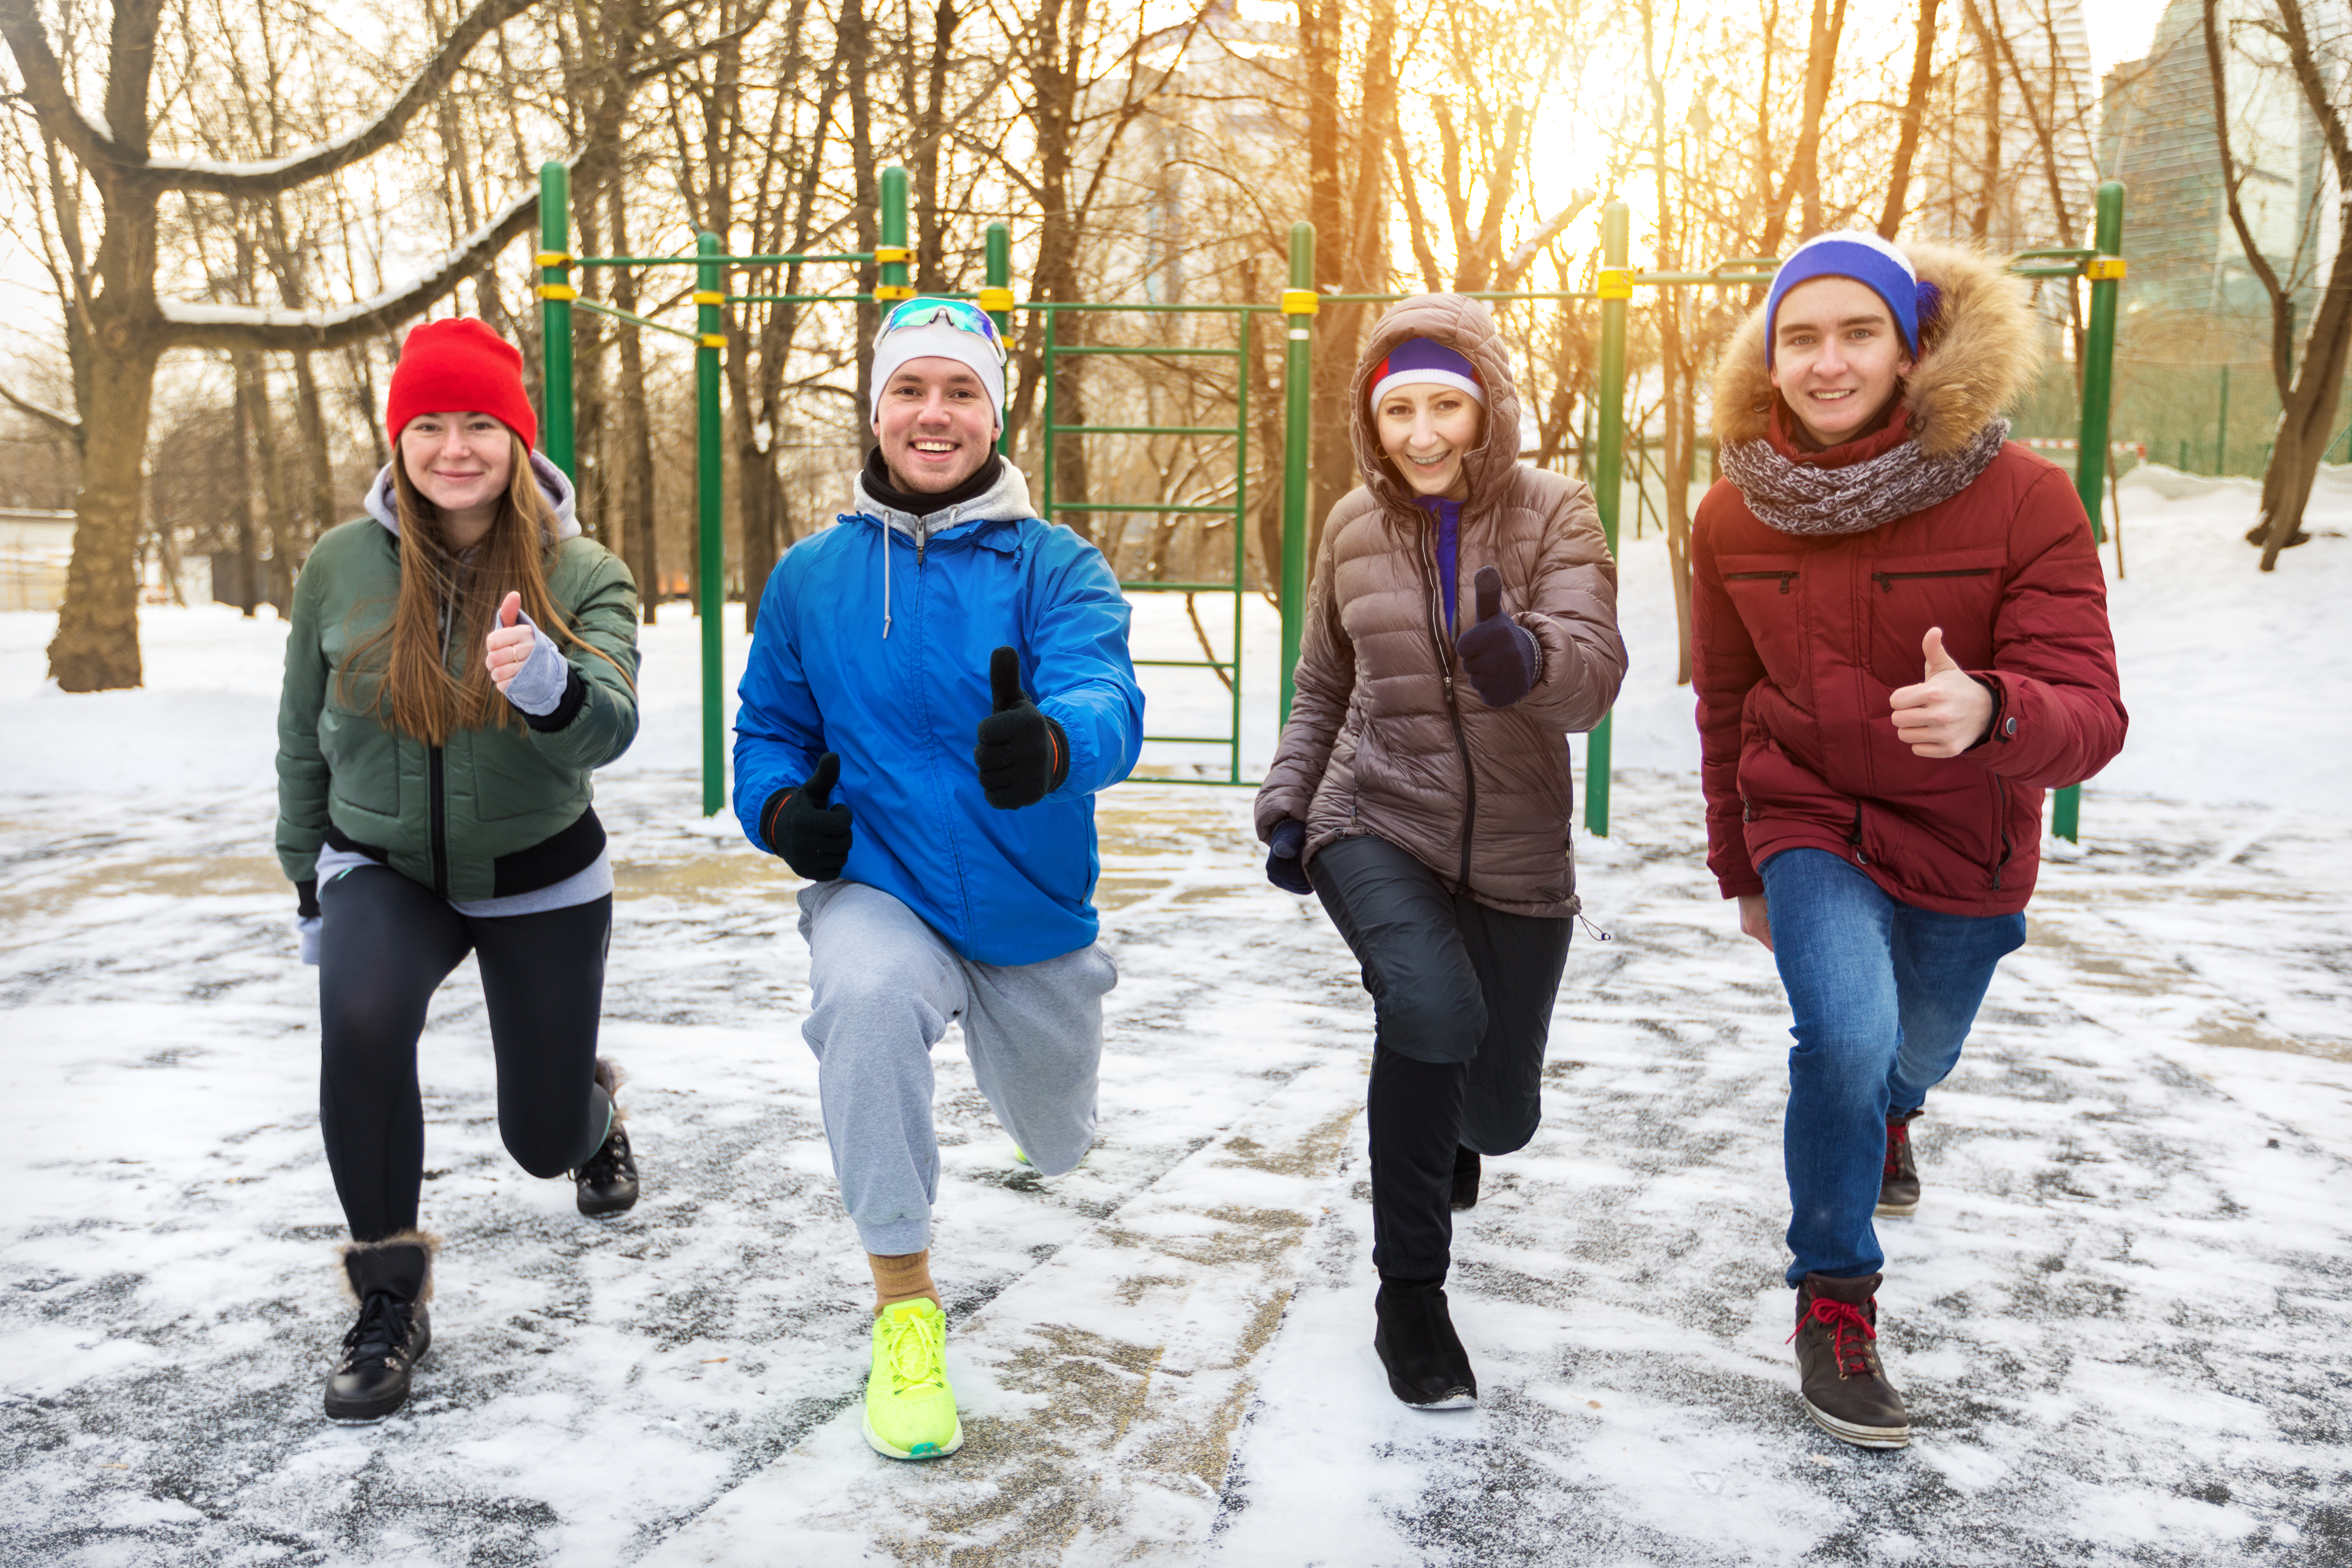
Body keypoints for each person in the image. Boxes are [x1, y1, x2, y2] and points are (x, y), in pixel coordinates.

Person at [1693, 233, 2127, 1449]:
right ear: (1767, 356)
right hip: (1807, 812)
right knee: (1838, 1032)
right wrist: (1740, 861)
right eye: (1798, 337)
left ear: (1908, 345)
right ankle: (1834, 1298)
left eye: (1855, 333)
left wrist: (1993, 708)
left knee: (1908, 1049)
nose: (1825, 362)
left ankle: (1893, 1109)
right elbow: (1724, 703)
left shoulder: (2023, 496)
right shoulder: (1731, 512)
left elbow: (2090, 709)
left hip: (1965, 834)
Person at [733, 297, 1144, 1460]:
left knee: (1057, 1136)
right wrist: (780, 810)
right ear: (874, 411)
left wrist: (1055, 739)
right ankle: (904, 1306)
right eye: (910, 388)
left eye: (960, 390)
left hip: (1027, 896)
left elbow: (1109, 695)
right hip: (879, 878)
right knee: (861, 1000)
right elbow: (765, 727)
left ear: (993, 413)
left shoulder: (1055, 563)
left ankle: (1040, 1101)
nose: (934, 412)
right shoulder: (812, 577)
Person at [1255, 299, 1626, 1410]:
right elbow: (1326, 681)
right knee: (1429, 1010)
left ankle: (1452, 1131)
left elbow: (1596, 666)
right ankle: (1409, 1300)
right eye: (1399, 408)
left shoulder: (1558, 508)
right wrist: (1289, 802)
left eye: (1446, 405)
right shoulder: (1350, 524)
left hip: (1516, 849)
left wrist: (1530, 659)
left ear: (1488, 408)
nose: (1423, 433)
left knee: (1498, 1113)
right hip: (1373, 812)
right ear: (1374, 419)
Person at [275, 317, 644, 1423]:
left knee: (539, 1141)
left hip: (538, 874)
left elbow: (613, 723)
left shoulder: (583, 570)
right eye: (427, 424)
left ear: (519, 442)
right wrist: (309, 878)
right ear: (400, 442)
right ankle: (388, 1299)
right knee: (365, 1017)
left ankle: (591, 1116)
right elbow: (303, 730)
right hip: (383, 866)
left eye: (479, 422)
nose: (453, 447)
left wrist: (548, 685)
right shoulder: (341, 564)